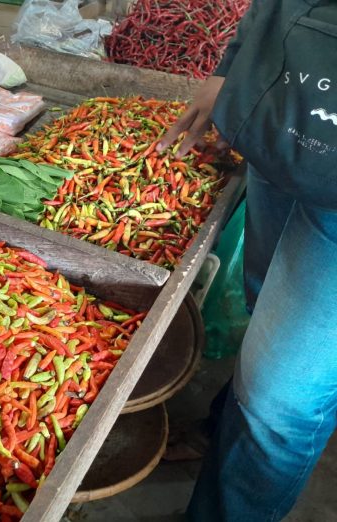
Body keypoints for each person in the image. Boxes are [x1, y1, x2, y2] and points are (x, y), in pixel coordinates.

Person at [156, 0, 337, 520]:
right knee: (264, 302)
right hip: (288, 118)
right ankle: (227, 430)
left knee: (281, 405)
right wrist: (232, 65)